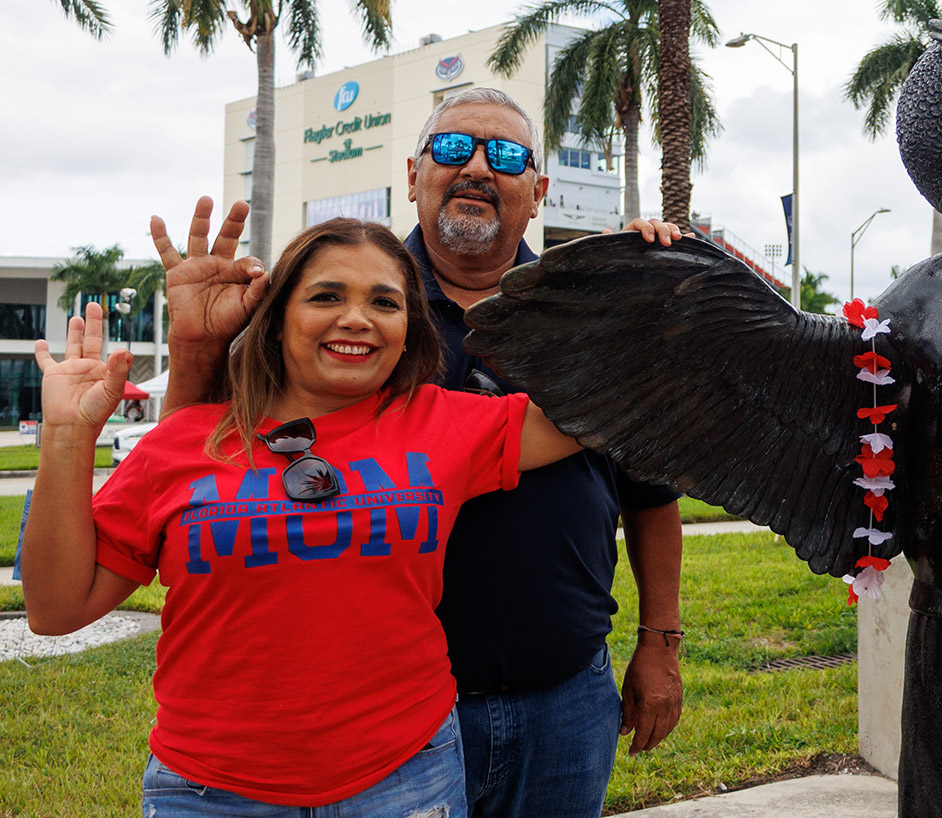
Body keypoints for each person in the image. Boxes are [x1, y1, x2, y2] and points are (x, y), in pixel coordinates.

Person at [154, 86, 691, 817]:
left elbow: (651, 493)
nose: (476, 167)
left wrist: (661, 642)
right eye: (452, 147)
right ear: (413, 176)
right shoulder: (347, 310)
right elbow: (196, 461)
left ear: (538, 192)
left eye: (506, 156)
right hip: (392, 725)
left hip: (566, 697)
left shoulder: (587, 310)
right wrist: (195, 350)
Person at [23, 220, 587, 813]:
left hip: (406, 777)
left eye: (385, 303)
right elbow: (56, 610)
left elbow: (605, 408)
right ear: (277, 319)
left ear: (408, 330)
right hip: (211, 792)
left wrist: (641, 277)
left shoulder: (441, 420)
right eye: (326, 296)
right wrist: (66, 435)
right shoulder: (182, 440)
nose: (357, 319)